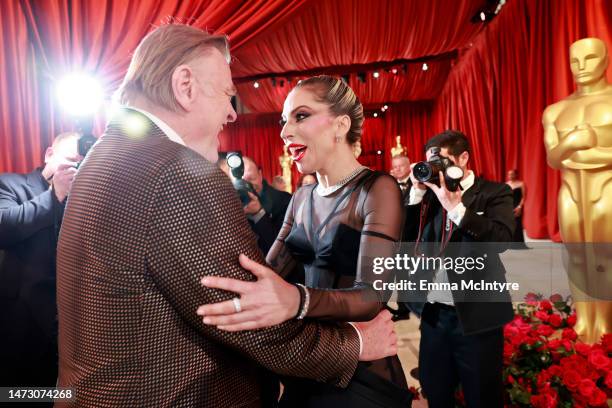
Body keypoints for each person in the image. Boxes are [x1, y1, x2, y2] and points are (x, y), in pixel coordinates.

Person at [55, 25, 396, 408]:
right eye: (227, 95)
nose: (232, 113)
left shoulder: (102, 158)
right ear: (185, 85)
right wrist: (356, 342)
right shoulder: (177, 173)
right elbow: (248, 317)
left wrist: (292, 299)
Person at [197, 75, 412, 407]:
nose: (284, 132)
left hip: (364, 375)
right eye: (284, 121)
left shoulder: (377, 188)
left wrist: (296, 300)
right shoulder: (302, 198)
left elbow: (371, 295)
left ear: (341, 125)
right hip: (311, 366)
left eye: (301, 116)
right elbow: (266, 273)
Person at [402, 130, 515, 407]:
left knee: (482, 395)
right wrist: (416, 192)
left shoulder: (493, 192)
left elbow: (501, 240)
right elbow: (404, 237)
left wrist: (457, 209)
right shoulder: (428, 196)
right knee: (435, 389)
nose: (437, 168)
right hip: (435, 316)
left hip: (478, 316)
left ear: (463, 158)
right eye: (432, 162)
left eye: (442, 160)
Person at [0, 132, 82, 390]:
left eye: (81, 163)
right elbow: (4, 227)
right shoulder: (12, 184)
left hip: (75, 324)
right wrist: (54, 194)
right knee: (20, 396)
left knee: (68, 397)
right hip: (23, 324)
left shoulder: (85, 198)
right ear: (49, 154)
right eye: (70, 160)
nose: (75, 169)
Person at [242, 156, 292, 254]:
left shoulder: (284, 200)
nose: (246, 186)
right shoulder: (230, 203)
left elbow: (283, 251)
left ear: (260, 175)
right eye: (241, 182)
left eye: (251, 179)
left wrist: (258, 213)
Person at [505, 169, 528, 248]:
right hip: (508, 207)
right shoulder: (506, 184)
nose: (510, 176)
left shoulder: (521, 184)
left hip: (518, 207)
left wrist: (519, 207)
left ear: (516, 175)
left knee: (517, 225)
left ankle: (519, 245)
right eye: (509, 174)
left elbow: (524, 197)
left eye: (512, 174)